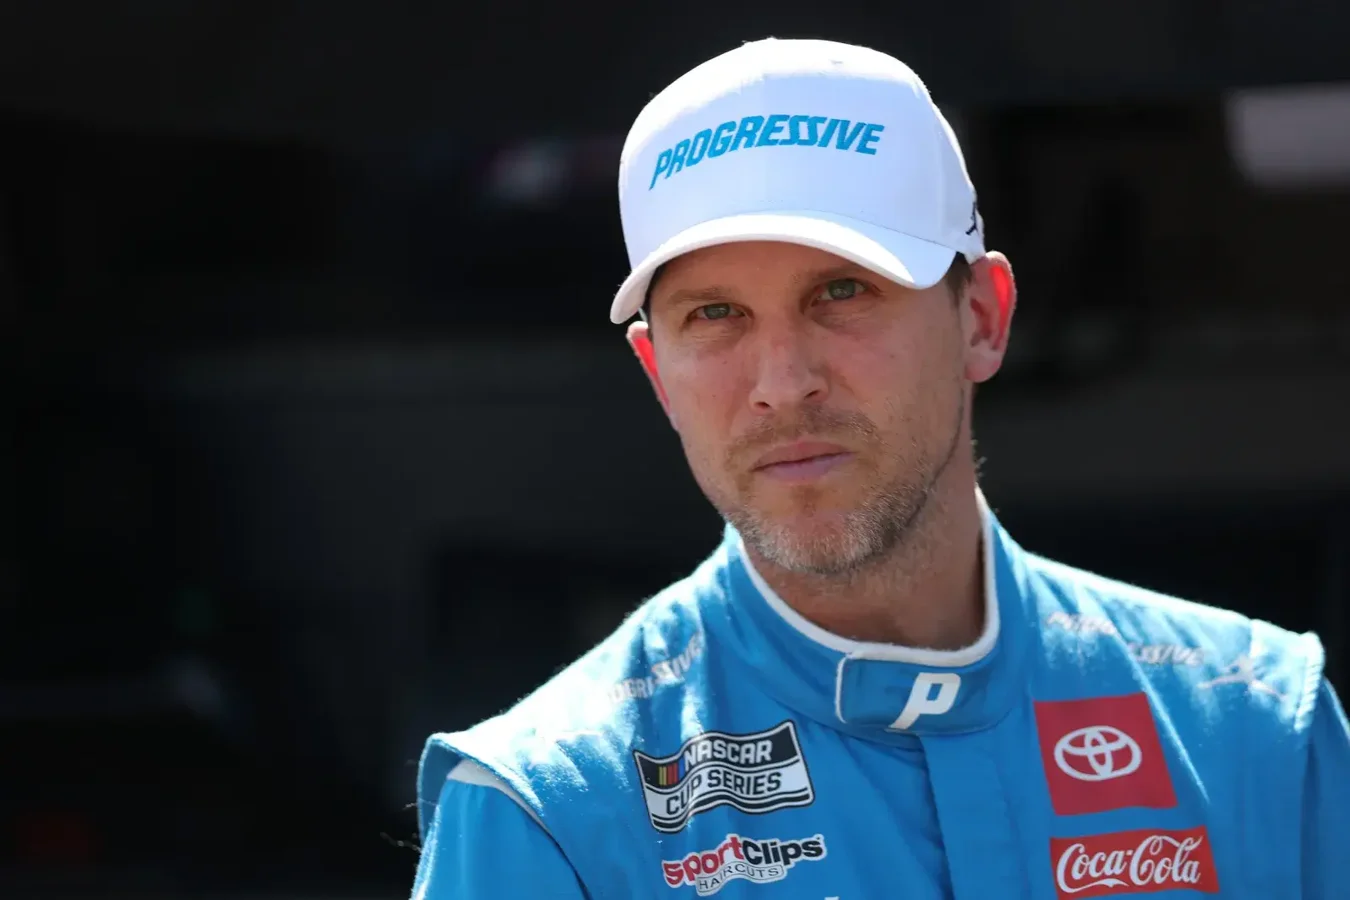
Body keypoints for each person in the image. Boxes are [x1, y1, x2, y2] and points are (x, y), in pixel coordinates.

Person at [410, 38, 1349, 899]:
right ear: (658, 374)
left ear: (981, 318)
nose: (782, 384)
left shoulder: (1260, 727)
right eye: (715, 315)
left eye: (842, 291)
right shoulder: (544, 809)